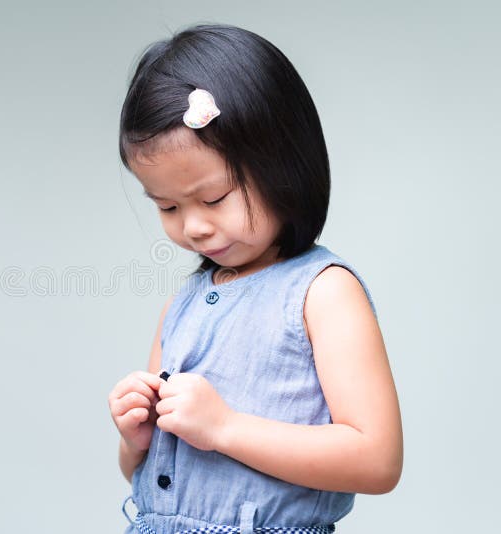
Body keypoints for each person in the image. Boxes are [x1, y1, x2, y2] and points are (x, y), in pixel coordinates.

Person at [107, 23, 403, 534]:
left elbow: (376, 459)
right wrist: (136, 438)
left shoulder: (323, 293)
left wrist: (225, 428)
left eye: (215, 198)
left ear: (281, 164)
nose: (194, 226)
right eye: (168, 206)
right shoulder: (182, 305)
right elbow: (151, 476)